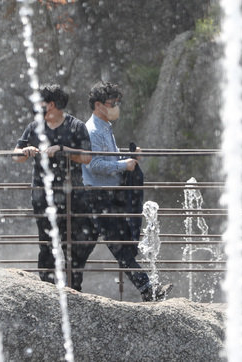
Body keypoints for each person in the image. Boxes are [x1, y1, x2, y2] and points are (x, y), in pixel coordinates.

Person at [82, 80, 173, 302]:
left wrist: (128, 158)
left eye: (117, 102)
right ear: (98, 105)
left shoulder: (105, 128)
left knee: (87, 248)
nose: (116, 106)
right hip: (98, 196)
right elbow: (93, 164)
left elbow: (106, 159)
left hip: (108, 195)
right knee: (119, 246)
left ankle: (66, 285)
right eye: (112, 102)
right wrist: (124, 164)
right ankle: (148, 290)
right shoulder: (92, 131)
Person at [13, 84, 95, 292]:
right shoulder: (34, 127)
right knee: (47, 243)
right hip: (43, 195)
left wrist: (62, 150)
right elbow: (16, 155)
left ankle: (74, 289)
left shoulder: (76, 126)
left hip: (72, 194)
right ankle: (47, 290)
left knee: (73, 244)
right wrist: (26, 150)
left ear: (51, 104)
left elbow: (87, 157)